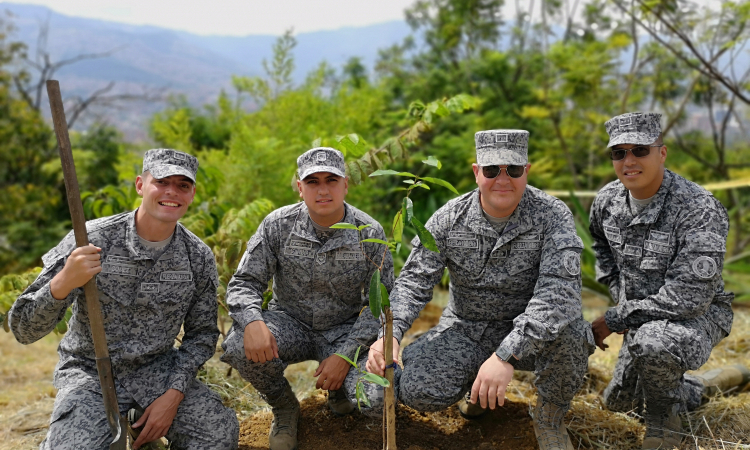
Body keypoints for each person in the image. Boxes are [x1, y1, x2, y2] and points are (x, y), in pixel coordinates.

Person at [367, 130, 594, 450]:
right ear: (477, 173)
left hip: (529, 332)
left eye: (513, 170)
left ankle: (549, 420)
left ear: (526, 171)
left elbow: (559, 294)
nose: (503, 179)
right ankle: (472, 387)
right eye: (491, 170)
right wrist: (390, 334)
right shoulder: (448, 219)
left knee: (572, 335)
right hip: (466, 327)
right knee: (420, 392)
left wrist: (506, 354)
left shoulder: (551, 215)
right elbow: (413, 282)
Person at [9, 149, 239, 450]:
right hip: (91, 374)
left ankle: (139, 428)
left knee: (218, 435)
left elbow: (202, 335)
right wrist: (64, 281)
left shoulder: (197, 256)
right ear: (140, 185)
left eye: (182, 185)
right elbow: (23, 330)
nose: (172, 192)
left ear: (192, 194)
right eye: (161, 181)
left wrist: (174, 393)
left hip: (158, 372)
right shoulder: (90, 239)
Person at [589, 112, 749, 449]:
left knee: (654, 344)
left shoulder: (698, 208)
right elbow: (600, 248)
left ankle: (665, 422)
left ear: (661, 153)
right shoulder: (607, 201)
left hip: (694, 316)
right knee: (619, 404)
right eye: (619, 153)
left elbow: (689, 297)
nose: (628, 161)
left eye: (640, 151)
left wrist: (617, 318)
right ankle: (713, 382)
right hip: (640, 317)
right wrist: (622, 298)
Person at [221, 147, 394, 450]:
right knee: (238, 345)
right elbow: (244, 282)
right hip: (290, 323)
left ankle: (339, 389)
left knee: (378, 397)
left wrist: (346, 355)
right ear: (300, 188)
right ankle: (285, 408)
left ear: (346, 185)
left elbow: (380, 305)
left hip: (345, 329)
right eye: (312, 182)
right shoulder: (278, 225)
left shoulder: (369, 233)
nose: (323, 189)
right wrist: (252, 320)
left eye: (331, 180)